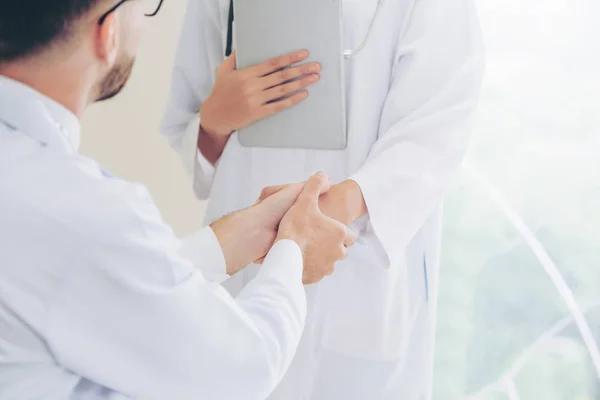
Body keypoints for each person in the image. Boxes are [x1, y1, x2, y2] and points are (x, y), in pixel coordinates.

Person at [0, 1, 356, 399]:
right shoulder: (88, 211)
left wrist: (229, 242)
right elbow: (241, 371)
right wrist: (294, 254)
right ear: (108, 33)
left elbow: (91, 278)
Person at [161, 0, 486, 398]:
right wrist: (215, 120)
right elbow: (188, 126)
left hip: (355, 267)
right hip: (243, 263)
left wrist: (309, 221)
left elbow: (435, 131)